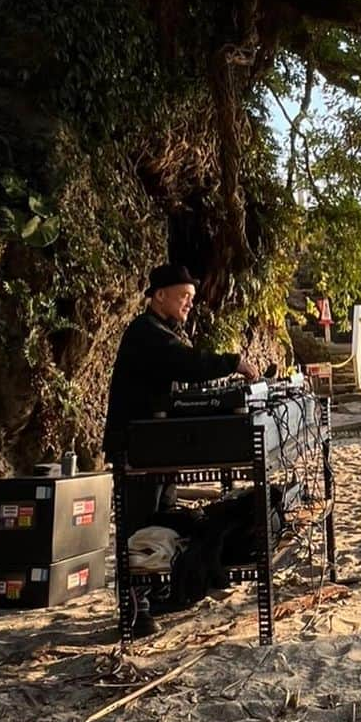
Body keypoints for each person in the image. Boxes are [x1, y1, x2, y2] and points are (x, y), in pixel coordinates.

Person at [103, 263, 258, 635]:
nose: (190, 304)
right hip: (135, 448)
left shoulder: (166, 331)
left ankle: (160, 593)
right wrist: (233, 362)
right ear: (159, 296)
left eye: (192, 297)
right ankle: (135, 609)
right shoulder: (146, 333)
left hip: (158, 447)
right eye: (184, 296)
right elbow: (187, 365)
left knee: (164, 517)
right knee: (138, 524)